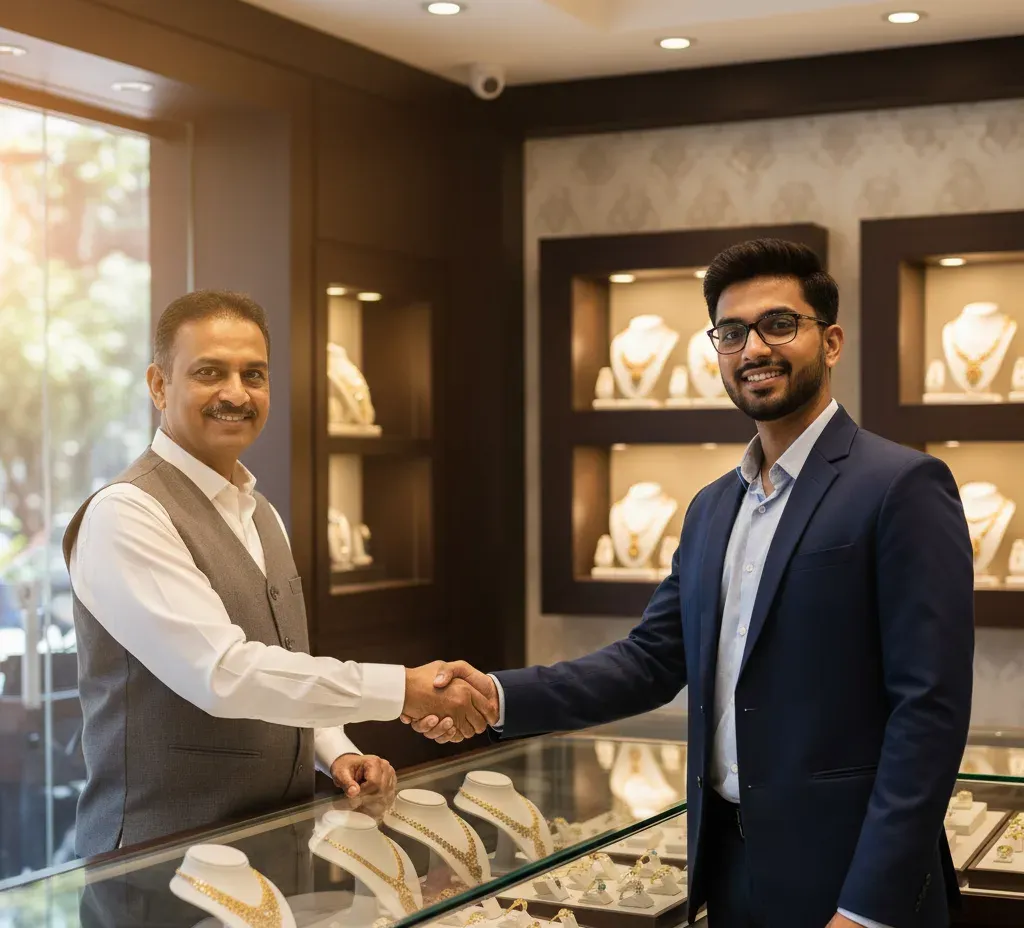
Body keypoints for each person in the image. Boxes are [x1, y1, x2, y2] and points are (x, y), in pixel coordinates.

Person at [408, 241, 975, 928]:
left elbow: (930, 712)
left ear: (830, 342)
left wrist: (867, 908)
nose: (753, 348)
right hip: (729, 871)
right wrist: (494, 695)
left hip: (852, 881)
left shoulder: (901, 486)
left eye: (778, 324)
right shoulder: (713, 506)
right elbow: (649, 662)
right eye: (731, 333)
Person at [64, 290, 492, 857]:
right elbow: (223, 675)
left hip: (276, 847)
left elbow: (277, 668)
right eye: (210, 372)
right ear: (158, 385)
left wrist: (334, 751)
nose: (236, 394)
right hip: (157, 865)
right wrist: (403, 690)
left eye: (254, 374)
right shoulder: (126, 513)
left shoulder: (261, 513)